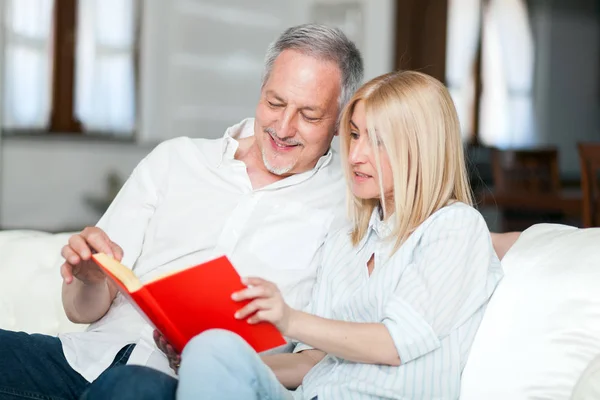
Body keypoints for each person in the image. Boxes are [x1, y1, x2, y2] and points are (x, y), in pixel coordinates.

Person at [0, 24, 363, 400]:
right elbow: (81, 311)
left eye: (309, 115)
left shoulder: (346, 207)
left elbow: (317, 359)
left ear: (340, 121)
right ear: (260, 92)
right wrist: (91, 279)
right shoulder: (176, 159)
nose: (284, 127)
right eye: (275, 103)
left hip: (185, 385)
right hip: (84, 360)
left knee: (129, 387)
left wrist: (212, 362)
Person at [174, 70, 504, 399]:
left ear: (421, 149)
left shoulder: (455, 228)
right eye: (355, 134)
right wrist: (225, 364)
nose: (355, 155)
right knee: (212, 348)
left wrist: (289, 319)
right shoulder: (346, 244)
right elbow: (313, 362)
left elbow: (393, 344)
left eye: (378, 141)